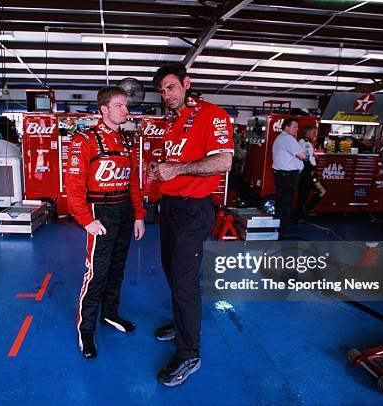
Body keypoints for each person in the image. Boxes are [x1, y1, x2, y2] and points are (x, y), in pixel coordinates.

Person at [148, 62, 233, 386]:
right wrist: (161, 169)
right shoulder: (173, 122)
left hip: (193, 210)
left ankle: (189, 353)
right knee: (172, 271)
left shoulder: (212, 114)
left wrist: (179, 169)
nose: (166, 95)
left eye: (170, 87)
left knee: (184, 280)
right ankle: (183, 323)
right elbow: (178, 163)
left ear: (186, 83)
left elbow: (224, 161)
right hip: (170, 207)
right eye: (162, 91)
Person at [65, 86, 145, 359]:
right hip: (100, 210)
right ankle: (85, 329)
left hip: (123, 209)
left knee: (117, 269)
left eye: (126, 105)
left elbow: (133, 181)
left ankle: (110, 314)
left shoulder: (126, 141)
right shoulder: (84, 140)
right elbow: (73, 187)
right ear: (104, 110)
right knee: (96, 273)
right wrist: (86, 220)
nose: (126, 109)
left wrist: (138, 215)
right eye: (120, 105)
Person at [271, 118, 307, 233]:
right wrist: (307, 153)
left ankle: (278, 226)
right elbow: (303, 156)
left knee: (282, 201)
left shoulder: (280, 138)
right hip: (288, 176)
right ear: (287, 127)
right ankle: (282, 229)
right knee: (286, 202)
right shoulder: (288, 139)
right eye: (295, 126)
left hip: (281, 174)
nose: (297, 129)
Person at [297, 125, 317, 220]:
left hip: (309, 173)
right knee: (303, 194)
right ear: (307, 132)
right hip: (305, 173)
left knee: (321, 191)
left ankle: (305, 211)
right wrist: (311, 168)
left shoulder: (309, 143)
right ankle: (300, 215)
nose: (315, 134)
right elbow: (305, 158)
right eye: (313, 132)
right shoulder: (303, 143)